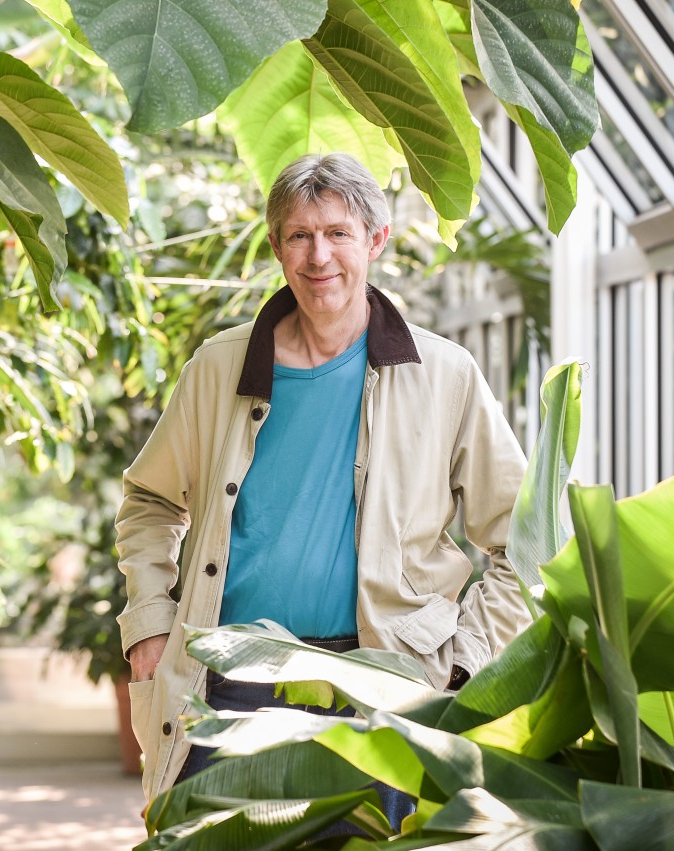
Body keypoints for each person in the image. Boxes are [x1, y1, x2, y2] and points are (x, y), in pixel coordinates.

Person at [114, 153, 533, 812]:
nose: (320, 255)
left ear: (375, 240)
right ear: (277, 245)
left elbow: (525, 540)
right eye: (301, 234)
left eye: (338, 232)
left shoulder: (447, 375)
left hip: (385, 689)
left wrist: (463, 664)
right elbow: (150, 500)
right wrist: (148, 624)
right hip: (229, 683)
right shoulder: (218, 367)